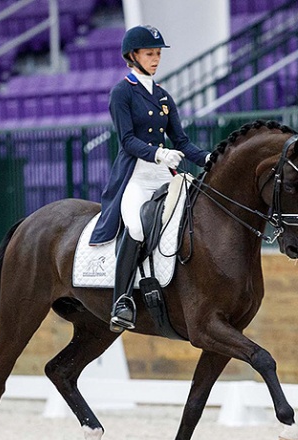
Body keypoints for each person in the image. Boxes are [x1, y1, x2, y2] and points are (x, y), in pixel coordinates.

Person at [89, 25, 210, 333]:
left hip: (163, 173)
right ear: (133, 56)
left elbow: (181, 142)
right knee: (137, 225)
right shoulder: (122, 92)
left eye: (157, 54)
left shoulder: (163, 96)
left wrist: (209, 158)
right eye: (149, 54)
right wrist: (158, 154)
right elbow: (127, 139)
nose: (156, 59)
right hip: (136, 174)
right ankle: (122, 300)